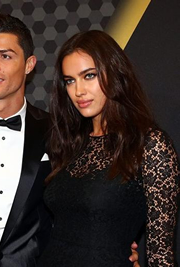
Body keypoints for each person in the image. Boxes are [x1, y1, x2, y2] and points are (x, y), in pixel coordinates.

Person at [0, 14, 140, 267]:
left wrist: (113, 244)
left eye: (5, 56)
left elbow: (85, 204)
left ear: (29, 65)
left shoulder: (61, 131)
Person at [39, 30, 179, 266]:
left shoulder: (150, 145)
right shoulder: (72, 142)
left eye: (89, 76)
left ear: (115, 74)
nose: (78, 91)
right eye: (70, 80)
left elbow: (161, 255)